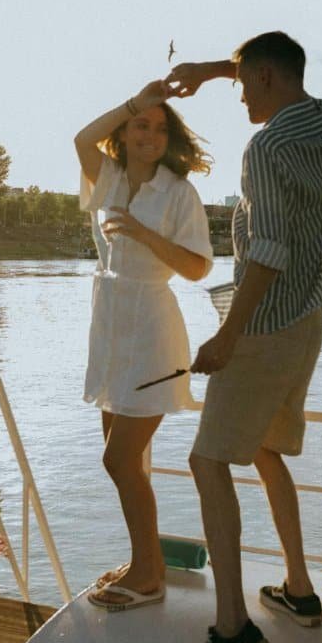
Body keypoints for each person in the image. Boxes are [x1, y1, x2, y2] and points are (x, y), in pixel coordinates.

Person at [168, 31, 322, 643]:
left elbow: (266, 251)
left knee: (207, 460)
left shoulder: (265, 148)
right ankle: (299, 590)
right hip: (307, 317)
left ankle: (232, 625)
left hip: (265, 324)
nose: (239, 94)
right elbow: (275, 64)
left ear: (268, 79)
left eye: (244, 83)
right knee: (266, 450)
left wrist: (225, 335)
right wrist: (213, 67)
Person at [73, 79, 215, 610]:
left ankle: (148, 571)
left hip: (153, 329)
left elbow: (199, 267)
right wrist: (137, 99)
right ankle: (145, 563)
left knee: (119, 459)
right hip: (110, 327)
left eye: (159, 127)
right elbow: (81, 139)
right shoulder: (106, 175)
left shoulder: (178, 191)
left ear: (169, 137)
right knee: (123, 461)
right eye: (140, 124)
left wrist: (140, 231)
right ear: (125, 130)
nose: (150, 134)